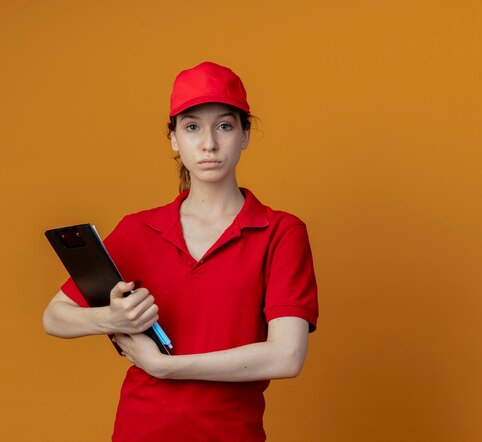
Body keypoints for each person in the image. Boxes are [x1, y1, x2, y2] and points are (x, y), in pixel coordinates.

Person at [43, 61, 319, 441]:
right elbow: (54, 317)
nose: (209, 143)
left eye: (224, 126)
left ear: (245, 135)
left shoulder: (281, 233)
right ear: (173, 138)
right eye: (192, 127)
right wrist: (114, 319)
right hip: (140, 430)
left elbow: (286, 356)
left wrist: (165, 366)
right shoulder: (138, 229)